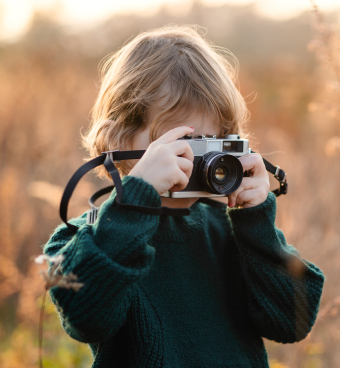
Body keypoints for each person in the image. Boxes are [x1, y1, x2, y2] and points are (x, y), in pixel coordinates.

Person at [43, 26, 325, 367]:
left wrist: (257, 221)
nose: (194, 161)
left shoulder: (230, 230)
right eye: (179, 144)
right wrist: (136, 200)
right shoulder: (82, 237)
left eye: (210, 143)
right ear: (120, 137)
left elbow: (291, 321)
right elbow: (85, 317)